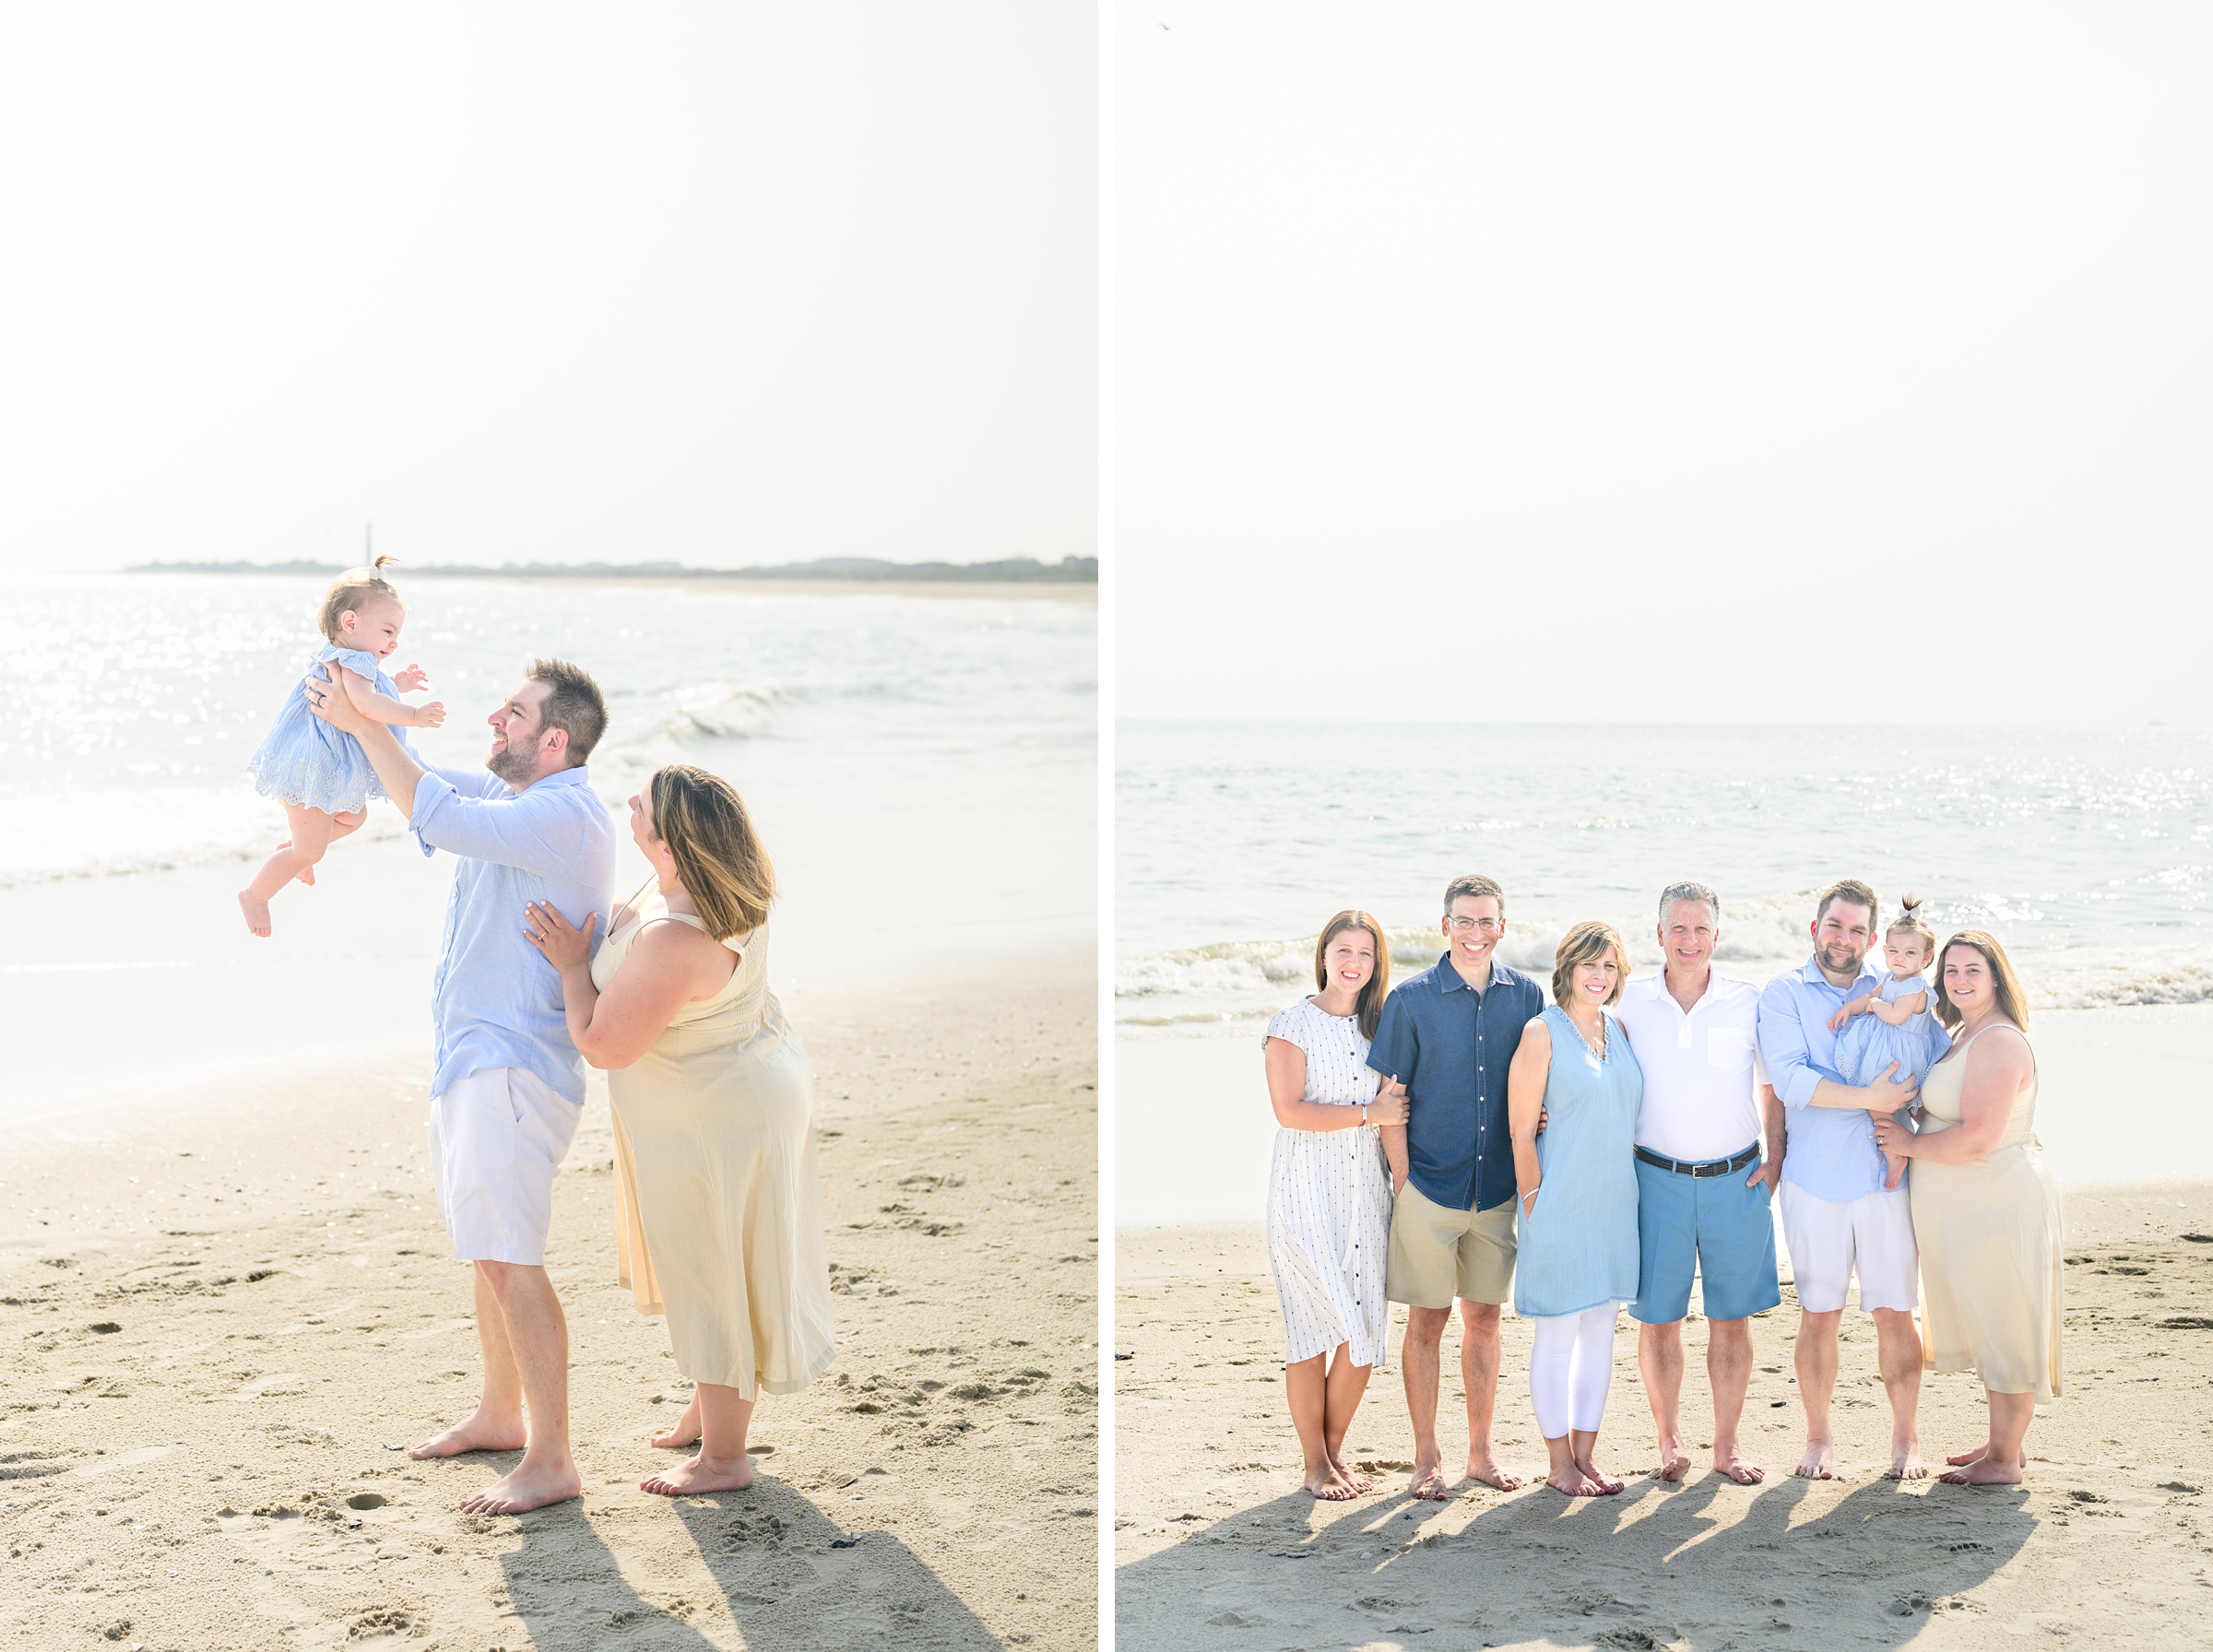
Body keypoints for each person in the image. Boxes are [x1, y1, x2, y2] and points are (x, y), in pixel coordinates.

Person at [308, 655, 615, 1515]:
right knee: (489, 1252)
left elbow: (433, 809)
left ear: (554, 740)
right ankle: (500, 1414)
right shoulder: (521, 801)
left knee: (510, 1256)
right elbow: (421, 781)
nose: (493, 719)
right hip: (477, 1057)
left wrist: (369, 722)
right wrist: (358, 706)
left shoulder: (563, 813)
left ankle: (552, 1457)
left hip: (513, 1065)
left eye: (512, 713)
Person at [524, 763, 836, 1496]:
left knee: (714, 1272)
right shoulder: (714, 886)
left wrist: (574, 967)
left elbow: (604, 1045)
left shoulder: (676, 933)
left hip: (715, 1117)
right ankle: (710, 1411)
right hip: (735, 1087)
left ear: (669, 840)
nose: (628, 803)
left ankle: (725, 1460)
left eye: (642, 804)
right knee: (713, 1261)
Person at [1368, 873, 1546, 1499]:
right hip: (1430, 1188)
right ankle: (1425, 1458)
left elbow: (1541, 1084)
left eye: (1487, 921)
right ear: (1445, 926)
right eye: (1464, 922)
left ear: (1502, 926)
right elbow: (1390, 1099)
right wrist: (1405, 1178)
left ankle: (1480, 1453)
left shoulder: (1526, 997)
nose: (1476, 933)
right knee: (1426, 1322)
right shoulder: (1410, 1000)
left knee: (1486, 1321)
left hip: (1497, 1188)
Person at [1756, 879, 1936, 1481]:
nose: (1845, 938)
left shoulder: (1896, 988)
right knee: (1819, 1313)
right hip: (1814, 1178)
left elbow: (1937, 1057)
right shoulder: (1782, 995)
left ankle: (1907, 1441)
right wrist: (1870, 1098)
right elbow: (1788, 1081)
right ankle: (1818, 1439)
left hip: (1887, 1178)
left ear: (1874, 938)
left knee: (1894, 1310)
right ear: (1815, 929)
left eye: (1859, 930)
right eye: (1836, 926)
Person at [1875, 930, 2061, 1487]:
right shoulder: (1964, 1034)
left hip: (1996, 1204)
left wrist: (1908, 1146)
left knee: (2005, 1325)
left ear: (1996, 977)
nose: (1959, 980)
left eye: (1972, 971)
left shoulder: (1999, 1041)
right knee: (1991, 1320)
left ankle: (2004, 1460)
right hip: (1971, 1208)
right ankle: (2004, 1442)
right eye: (1951, 971)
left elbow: (1980, 1136)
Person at [1614, 882, 1781, 1486]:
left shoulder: (1748, 1000)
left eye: (1701, 929)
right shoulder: (1627, 1002)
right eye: (1678, 928)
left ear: (1717, 935)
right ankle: (1669, 1440)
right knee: (1658, 1319)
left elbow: (1773, 1086)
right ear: (1658, 934)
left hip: (1736, 1181)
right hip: (1653, 1179)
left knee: (1730, 1319)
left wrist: (1777, 1160)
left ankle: (1728, 1446)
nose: (1690, 940)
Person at [1260, 910, 1405, 1501]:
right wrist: (1371, 1114)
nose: (1353, 962)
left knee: (1365, 1332)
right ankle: (1313, 1463)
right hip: (1303, 1193)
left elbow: (1404, 1106)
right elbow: (1289, 1110)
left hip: (1365, 1194)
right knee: (1313, 1331)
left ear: (1376, 965)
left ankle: (1335, 1452)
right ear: (1323, 955)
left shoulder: (1383, 1028)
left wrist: (1405, 1181)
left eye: (1365, 954)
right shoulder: (1291, 1024)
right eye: (1343, 950)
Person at [239, 556, 444, 935]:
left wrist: (397, 681)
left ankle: (297, 847)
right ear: (350, 622)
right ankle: (256, 895)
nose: (394, 641)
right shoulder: (351, 662)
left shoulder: (353, 662)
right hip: (313, 768)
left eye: (397, 634)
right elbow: (366, 704)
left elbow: (370, 689)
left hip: (317, 765)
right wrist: (412, 714)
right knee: (312, 850)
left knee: (354, 817)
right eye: (387, 631)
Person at [1508, 920, 1642, 1497]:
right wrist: (1535, 1199)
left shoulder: (1620, 1029)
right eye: (1590, 964)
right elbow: (1519, 1133)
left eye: (1610, 966)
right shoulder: (1541, 1033)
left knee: (1601, 1334)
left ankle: (1586, 1456)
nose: (1600, 976)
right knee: (1557, 1336)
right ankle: (1558, 1462)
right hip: (1559, 1204)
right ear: (1567, 967)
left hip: (1615, 1206)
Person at [1829, 895, 1942, 1191]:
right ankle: (1909, 1146)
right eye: (1893, 951)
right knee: (1878, 1103)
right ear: (1884, 951)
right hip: (1883, 1050)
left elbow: (1893, 1016)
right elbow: (1867, 999)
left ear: (1926, 958)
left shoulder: (1916, 986)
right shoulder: (1891, 977)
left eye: (1909, 952)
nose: (1899, 958)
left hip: (1899, 1056)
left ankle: (1896, 1154)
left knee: (1877, 1103)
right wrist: (1849, 1008)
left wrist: (1876, 1003)